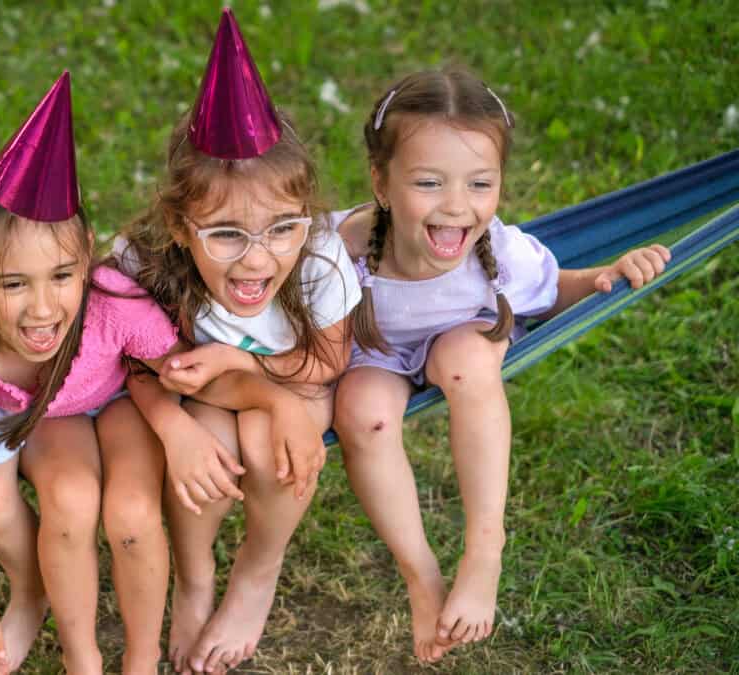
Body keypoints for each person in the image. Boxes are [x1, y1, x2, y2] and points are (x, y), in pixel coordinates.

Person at [330, 66, 671, 663]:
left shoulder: (498, 254)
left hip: (462, 343)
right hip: (375, 354)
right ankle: (420, 575)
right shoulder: (338, 251)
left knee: (466, 359)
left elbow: (561, 285)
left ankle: (485, 547)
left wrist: (607, 274)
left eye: (480, 185)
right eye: (430, 183)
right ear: (381, 183)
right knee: (362, 413)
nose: (457, 207)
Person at [0, 72, 183, 675]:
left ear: (86, 251)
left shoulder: (116, 309)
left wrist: (191, 424)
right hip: (50, 420)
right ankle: (80, 656)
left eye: (61, 275)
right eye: (12, 284)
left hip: (122, 404)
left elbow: (179, 373)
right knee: (69, 499)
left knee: (133, 517)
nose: (41, 308)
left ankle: (142, 657)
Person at [114, 10, 360, 673]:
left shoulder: (320, 258)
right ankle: (195, 579)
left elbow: (328, 359)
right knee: (213, 452)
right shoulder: (143, 263)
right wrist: (173, 428)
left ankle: (257, 570)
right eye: (226, 233)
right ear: (179, 223)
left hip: (298, 384)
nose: (257, 262)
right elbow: (136, 363)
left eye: (282, 227)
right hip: (203, 396)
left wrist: (250, 367)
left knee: (268, 445)